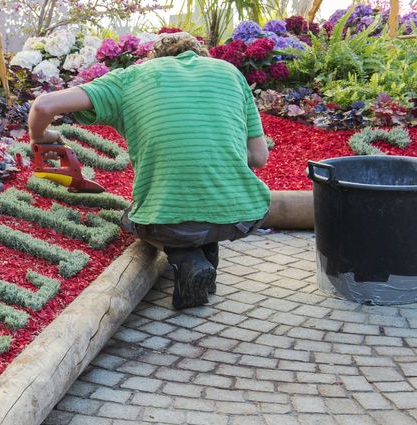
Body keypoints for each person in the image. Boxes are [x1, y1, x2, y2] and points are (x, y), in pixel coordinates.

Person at [28, 32, 272, 309]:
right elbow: (259, 157)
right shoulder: (229, 73)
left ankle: (188, 260)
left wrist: (39, 139)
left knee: (133, 218)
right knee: (202, 212)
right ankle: (205, 259)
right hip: (243, 215)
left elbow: (44, 105)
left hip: (167, 221)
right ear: (201, 57)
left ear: (154, 59)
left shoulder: (131, 78)